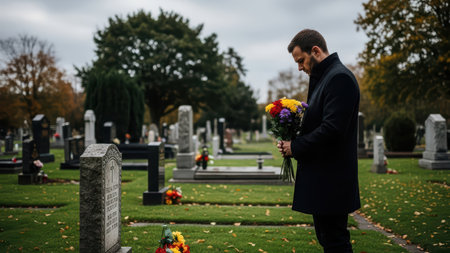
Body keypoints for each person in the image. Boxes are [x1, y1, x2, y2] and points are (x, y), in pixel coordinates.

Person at [277, 29, 361, 252]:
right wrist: (292, 136)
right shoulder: (325, 78)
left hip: (332, 180)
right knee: (328, 239)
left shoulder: (339, 78)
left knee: (335, 241)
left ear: (315, 51)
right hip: (324, 179)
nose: (300, 67)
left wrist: (295, 147)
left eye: (301, 60)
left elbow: (332, 129)